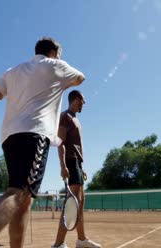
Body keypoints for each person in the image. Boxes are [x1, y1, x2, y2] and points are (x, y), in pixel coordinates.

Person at [0, 37, 85, 248]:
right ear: (53, 52)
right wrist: (59, 76)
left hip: (9, 138)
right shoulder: (56, 65)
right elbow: (80, 78)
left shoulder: (13, 71)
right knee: (18, 193)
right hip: (35, 135)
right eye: (58, 54)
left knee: (23, 200)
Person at [51, 90, 101, 248]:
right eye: (82, 101)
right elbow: (60, 143)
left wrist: (81, 166)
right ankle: (58, 244)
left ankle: (81, 240)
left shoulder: (75, 119)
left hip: (77, 163)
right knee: (72, 204)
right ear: (75, 99)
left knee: (80, 202)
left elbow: (76, 146)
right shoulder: (65, 116)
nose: (83, 104)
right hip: (70, 162)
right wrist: (63, 165)